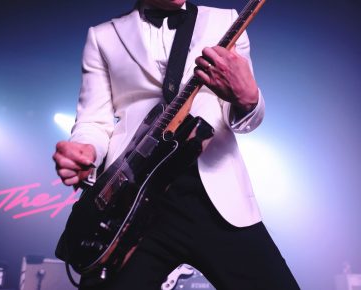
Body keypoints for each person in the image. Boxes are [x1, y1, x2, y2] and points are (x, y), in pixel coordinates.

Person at [52, 0, 300, 289]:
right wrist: (86, 150)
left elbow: (243, 118)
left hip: (215, 196)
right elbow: (93, 122)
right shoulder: (103, 36)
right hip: (133, 200)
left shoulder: (227, 21)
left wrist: (248, 99)